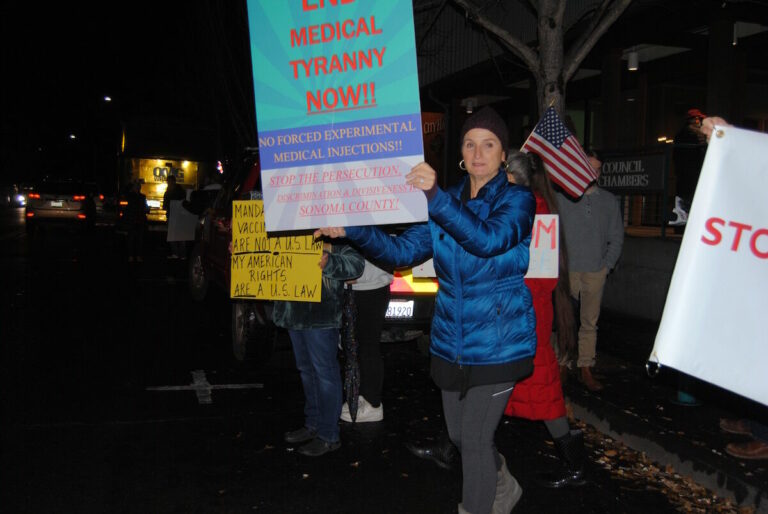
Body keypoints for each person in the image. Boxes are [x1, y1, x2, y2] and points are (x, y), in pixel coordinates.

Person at [316, 106, 537, 514]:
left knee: (472, 440)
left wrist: (434, 197)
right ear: (461, 151)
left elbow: (486, 240)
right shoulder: (447, 199)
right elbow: (401, 252)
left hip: (501, 338)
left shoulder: (518, 200)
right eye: (470, 143)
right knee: (459, 435)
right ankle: (502, 482)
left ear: (503, 154)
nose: (478, 152)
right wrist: (353, 228)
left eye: (488, 144)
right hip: (451, 337)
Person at [503, 151, 585, 488]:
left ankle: (575, 464)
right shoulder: (532, 207)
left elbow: (538, 278)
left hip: (524, 316)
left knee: (543, 391)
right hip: (520, 314)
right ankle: (454, 444)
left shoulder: (533, 210)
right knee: (483, 383)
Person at [278, 243, 364, 457]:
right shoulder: (283, 223)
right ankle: (313, 424)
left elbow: (356, 264)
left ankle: (328, 435)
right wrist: (243, 251)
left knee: (324, 374)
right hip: (293, 311)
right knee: (307, 371)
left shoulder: (332, 225)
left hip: (320, 316)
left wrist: (330, 261)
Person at [556, 149, 624, 392]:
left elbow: (616, 237)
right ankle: (562, 363)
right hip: (569, 270)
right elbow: (554, 233)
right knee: (564, 320)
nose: (592, 173)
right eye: (589, 167)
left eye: (597, 168)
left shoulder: (608, 201)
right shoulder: (564, 198)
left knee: (589, 323)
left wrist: (607, 266)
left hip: (595, 271)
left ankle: (586, 367)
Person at [340, 258, 393, 423]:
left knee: (368, 346)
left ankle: (373, 403)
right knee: (352, 345)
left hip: (372, 285)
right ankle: (360, 396)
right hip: (353, 286)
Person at [670, 108, 707, 226]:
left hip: (688, 174)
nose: (699, 122)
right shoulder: (689, 135)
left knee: (687, 199)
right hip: (690, 174)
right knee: (688, 199)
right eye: (697, 120)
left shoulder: (686, 134)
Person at [162, 174, 186, 259]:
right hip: (180, 216)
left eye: (169, 181)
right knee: (180, 235)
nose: (168, 183)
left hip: (173, 216)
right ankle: (182, 254)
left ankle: (176, 253)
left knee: (172, 235)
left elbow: (165, 206)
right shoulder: (181, 191)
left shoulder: (168, 192)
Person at [124, 180, 148, 263]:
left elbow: (145, 207)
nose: (138, 188)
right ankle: (130, 256)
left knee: (139, 239)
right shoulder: (130, 196)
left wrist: (147, 209)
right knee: (131, 239)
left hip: (140, 220)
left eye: (138, 186)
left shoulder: (143, 196)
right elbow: (128, 207)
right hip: (132, 220)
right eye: (136, 186)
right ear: (133, 188)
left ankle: (138, 255)